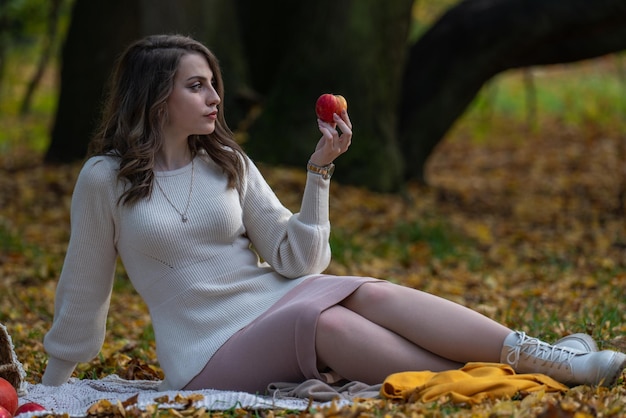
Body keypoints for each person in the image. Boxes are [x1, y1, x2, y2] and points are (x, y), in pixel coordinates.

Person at [41, 34, 626, 394]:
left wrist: (320, 169)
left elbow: (300, 260)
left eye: (213, 83)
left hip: (276, 301)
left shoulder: (226, 162)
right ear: (154, 98)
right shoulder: (105, 181)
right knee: (328, 323)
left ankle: (545, 359)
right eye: (197, 86)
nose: (215, 98)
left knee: (370, 293)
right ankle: (513, 376)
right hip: (205, 355)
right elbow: (83, 288)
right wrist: (54, 385)